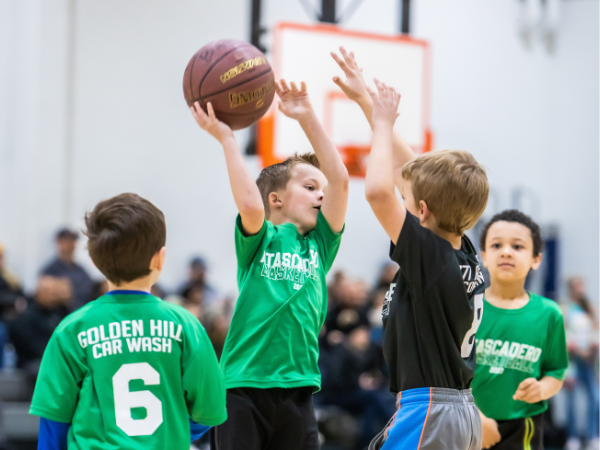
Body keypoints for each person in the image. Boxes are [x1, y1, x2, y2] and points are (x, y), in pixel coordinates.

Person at [332, 48, 488, 449]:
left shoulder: (430, 257)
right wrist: (368, 103)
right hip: (452, 408)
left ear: (421, 211)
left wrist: (383, 125)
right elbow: (414, 176)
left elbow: (382, 191)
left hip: (431, 408)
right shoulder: (461, 249)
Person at [190, 78, 349, 450]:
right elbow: (249, 205)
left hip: (298, 389)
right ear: (275, 200)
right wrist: (228, 140)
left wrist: (307, 116)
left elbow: (340, 180)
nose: (321, 194)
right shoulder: (261, 239)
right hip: (243, 387)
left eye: (321, 190)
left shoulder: (320, 246)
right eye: (310, 187)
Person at [29, 193, 227, 449]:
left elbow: (53, 423)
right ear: (160, 258)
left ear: (94, 261)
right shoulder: (186, 326)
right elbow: (208, 411)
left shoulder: (71, 330)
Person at [473, 210, 568, 450]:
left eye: (517, 246)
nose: (506, 251)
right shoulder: (466, 308)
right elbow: (447, 377)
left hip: (523, 426)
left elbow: (555, 373)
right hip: (470, 422)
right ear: (483, 256)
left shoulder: (549, 313)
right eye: (496, 245)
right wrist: (475, 418)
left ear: (536, 259)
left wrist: (542, 388)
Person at [7, 276, 72, 374]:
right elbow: (30, 347)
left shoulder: (58, 313)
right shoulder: (26, 317)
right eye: (49, 293)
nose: (52, 297)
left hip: (53, 357)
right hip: (32, 361)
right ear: (39, 293)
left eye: (54, 294)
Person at [563, 276, 599, 450]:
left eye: (581, 287)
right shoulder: (565, 308)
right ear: (570, 289)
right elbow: (561, 334)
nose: (580, 290)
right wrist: (575, 347)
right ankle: (573, 436)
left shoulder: (589, 308)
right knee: (572, 401)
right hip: (572, 361)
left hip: (589, 361)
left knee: (594, 398)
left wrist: (593, 346)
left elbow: (596, 330)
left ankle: (592, 435)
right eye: (576, 287)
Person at [41, 228, 94, 308]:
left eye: (72, 241)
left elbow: (90, 293)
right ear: (59, 243)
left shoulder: (81, 271)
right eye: (67, 241)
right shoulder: (49, 271)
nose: (70, 245)